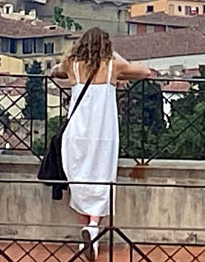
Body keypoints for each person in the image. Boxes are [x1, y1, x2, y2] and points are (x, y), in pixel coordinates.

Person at [54, 28, 157, 261]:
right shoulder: (113, 65)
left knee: (79, 178)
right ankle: (93, 228)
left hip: (77, 132)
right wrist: (117, 59)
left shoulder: (71, 64)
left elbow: (55, 71)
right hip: (103, 132)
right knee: (101, 175)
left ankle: (88, 233)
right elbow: (144, 71)